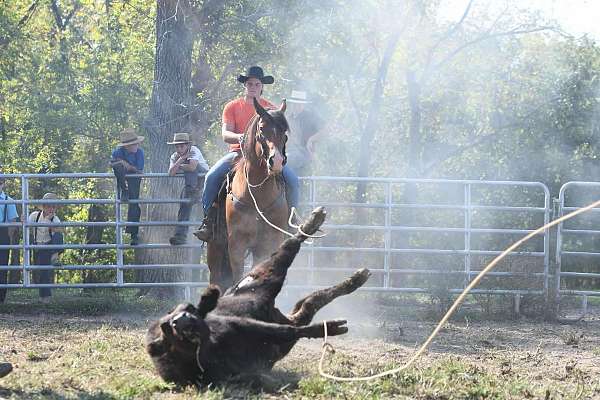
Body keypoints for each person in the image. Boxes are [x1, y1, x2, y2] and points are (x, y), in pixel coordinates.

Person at [194, 66, 300, 242]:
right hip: (238, 154)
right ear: (245, 85)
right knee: (211, 177)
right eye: (250, 83)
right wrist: (239, 137)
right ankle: (208, 221)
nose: (253, 87)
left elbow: (279, 134)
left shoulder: (271, 108)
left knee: (293, 181)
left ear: (262, 86)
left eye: (257, 84)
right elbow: (225, 134)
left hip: (266, 157)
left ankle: (292, 219)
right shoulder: (232, 107)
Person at [167, 132, 209, 245]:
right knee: (184, 204)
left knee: (190, 169)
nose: (179, 149)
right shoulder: (175, 156)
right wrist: (181, 160)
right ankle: (180, 236)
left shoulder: (194, 150)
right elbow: (171, 173)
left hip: (203, 180)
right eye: (177, 146)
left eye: (182, 146)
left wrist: (179, 165)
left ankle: (210, 229)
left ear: (187, 145)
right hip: (191, 185)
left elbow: (192, 167)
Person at [110, 128, 145, 245]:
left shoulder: (140, 153)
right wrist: (121, 163)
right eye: (133, 144)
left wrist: (127, 165)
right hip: (123, 177)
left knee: (134, 203)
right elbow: (112, 163)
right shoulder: (119, 151)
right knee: (118, 166)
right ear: (126, 146)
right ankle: (124, 190)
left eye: (136, 143)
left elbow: (139, 170)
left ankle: (133, 235)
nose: (136, 145)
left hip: (134, 178)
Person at [28, 192, 64, 302]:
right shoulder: (35, 216)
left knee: (45, 270)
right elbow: (27, 227)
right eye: (49, 206)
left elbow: (57, 236)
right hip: (38, 245)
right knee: (41, 271)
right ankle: (43, 296)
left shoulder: (55, 219)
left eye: (54, 206)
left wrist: (49, 221)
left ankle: (55, 255)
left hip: (49, 245)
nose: (51, 209)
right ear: (43, 207)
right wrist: (23, 220)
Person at [285, 89, 325, 177]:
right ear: (291, 104)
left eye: (299, 104)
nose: (297, 106)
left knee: (288, 160)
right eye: (295, 103)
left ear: (303, 105)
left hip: (304, 152)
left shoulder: (310, 117)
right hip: (290, 152)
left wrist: (311, 139)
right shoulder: (288, 118)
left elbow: (325, 130)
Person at [0, 175, 19, 303]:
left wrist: (9, 239)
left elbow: (12, 222)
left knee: (2, 266)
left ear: (3, 183)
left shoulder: (8, 200)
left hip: (2, 234)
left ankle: (1, 297)